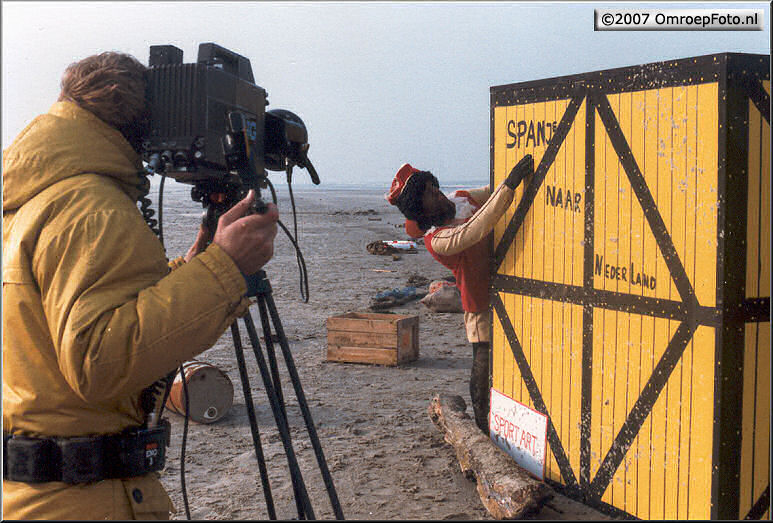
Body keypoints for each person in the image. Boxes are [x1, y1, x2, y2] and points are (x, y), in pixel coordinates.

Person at [2, 52, 278, 519]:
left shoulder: (40, 196)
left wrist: (196, 266)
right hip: (87, 499)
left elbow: (82, 316)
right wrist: (226, 270)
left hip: (43, 496)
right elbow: (98, 361)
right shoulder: (90, 206)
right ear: (144, 119)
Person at [386, 155, 533, 434]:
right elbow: (476, 229)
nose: (436, 192)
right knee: (483, 358)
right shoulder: (437, 240)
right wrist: (510, 184)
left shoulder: (460, 199)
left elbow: (491, 193)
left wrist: (507, 183)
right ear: (420, 209)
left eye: (432, 186)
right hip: (479, 302)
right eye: (428, 193)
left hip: (507, 289)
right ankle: (481, 420)